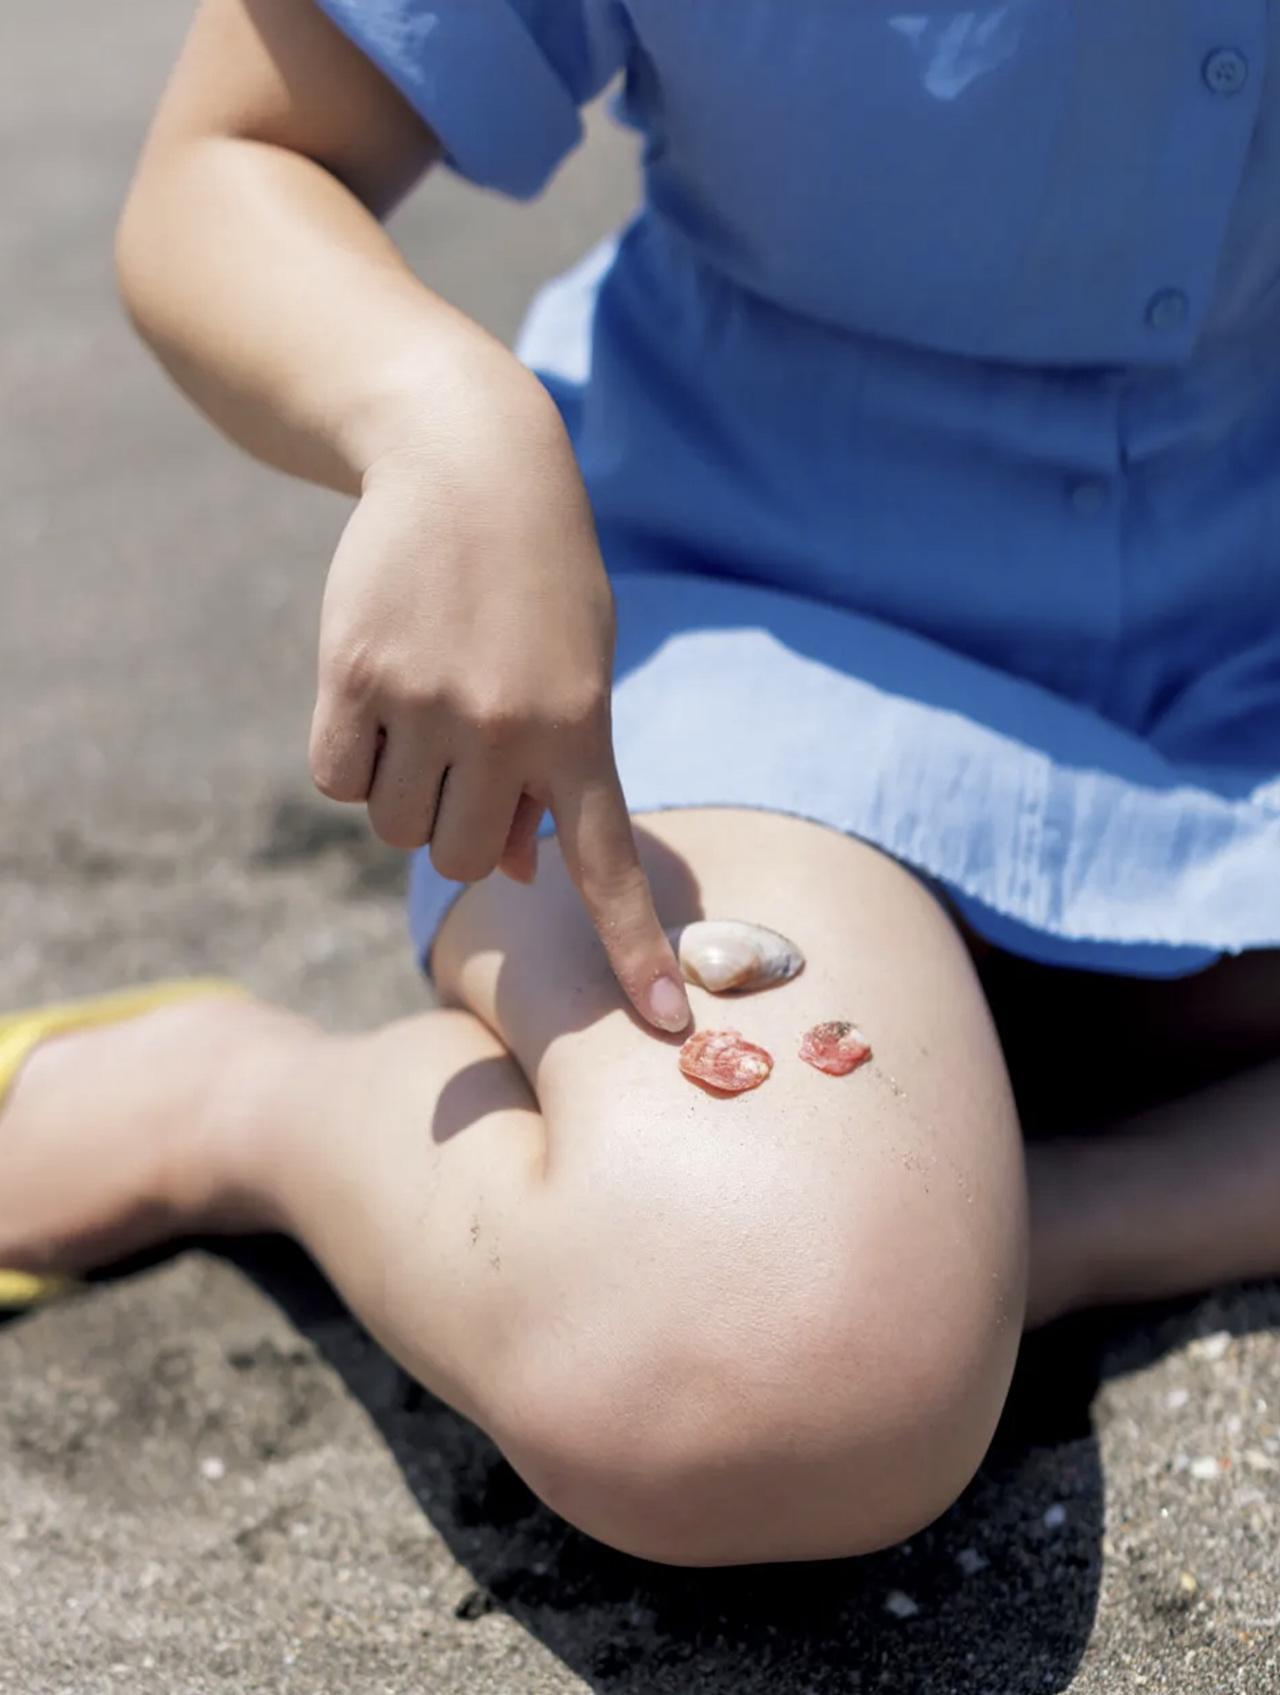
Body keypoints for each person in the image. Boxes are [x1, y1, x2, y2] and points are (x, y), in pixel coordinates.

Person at [3, 0, 1280, 1567]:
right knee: (751, 1349)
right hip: (766, 630)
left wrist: (1035, 1234)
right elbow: (229, 163)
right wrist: (445, 418)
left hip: (1246, 669)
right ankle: (239, 1103)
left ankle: (1031, 1226)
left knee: (858, 1294)